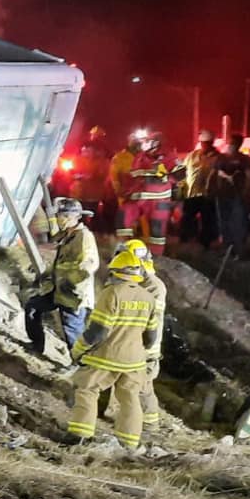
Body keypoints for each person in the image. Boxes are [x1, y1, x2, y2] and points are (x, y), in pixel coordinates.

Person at [65, 250, 159, 449]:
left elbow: (97, 331)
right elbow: (151, 337)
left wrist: (78, 350)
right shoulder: (148, 298)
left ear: (116, 272)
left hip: (106, 357)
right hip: (135, 360)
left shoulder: (111, 293)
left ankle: (80, 435)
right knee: (130, 397)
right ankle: (129, 443)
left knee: (88, 389)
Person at [24, 199, 99, 357]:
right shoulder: (68, 235)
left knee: (72, 331)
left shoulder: (83, 237)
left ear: (76, 217)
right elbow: (61, 262)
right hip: (59, 290)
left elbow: (88, 266)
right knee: (33, 307)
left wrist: (69, 282)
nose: (60, 219)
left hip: (74, 294)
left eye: (64, 216)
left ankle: (80, 362)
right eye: (59, 216)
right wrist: (46, 275)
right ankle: (36, 345)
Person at [117, 239, 167, 429]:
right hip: (131, 341)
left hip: (145, 346)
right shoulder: (136, 281)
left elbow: (149, 320)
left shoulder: (154, 286)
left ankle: (149, 423)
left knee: (143, 385)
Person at [117, 131, 178, 254]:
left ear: (157, 143)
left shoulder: (170, 157)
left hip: (159, 201)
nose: (145, 144)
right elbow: (133, 175)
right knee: (122, 219)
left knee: (157, 233)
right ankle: (123, 252)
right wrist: (127, 190)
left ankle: (156, 257)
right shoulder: (140, 157)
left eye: (148, 141)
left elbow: (180, 174)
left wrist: (166, 175)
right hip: (139, 198)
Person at [212, 134, 250, 257]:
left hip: (238, 196)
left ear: (239, 144)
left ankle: (239, 251)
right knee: (223, 223)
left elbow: (249, 176)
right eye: (230, 142)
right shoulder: (221, 158)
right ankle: (227, 249)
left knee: (238, 223)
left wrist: (246, 192)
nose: (231, 145)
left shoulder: (245, 159)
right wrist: (213, 190)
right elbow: (214, 174)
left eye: (234, 143)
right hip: (222, 195)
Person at [179, 130, 220, 249]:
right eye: (203, 143)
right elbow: (182, 171)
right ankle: (185, 239)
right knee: (187, 217)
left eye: (207, 143)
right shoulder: (192, 156)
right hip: (191, 193)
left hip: (208, 195)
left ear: (212, 143)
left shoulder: (219, 158)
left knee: (207, 219)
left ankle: (205, 243)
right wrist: (180, 188)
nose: (204, 145)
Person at [108, 132, 141, 218]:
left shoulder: (143, 156)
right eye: (135, 141)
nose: (137, 144)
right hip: (126, 193)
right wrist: (118, 190)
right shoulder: (120, 157)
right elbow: (114, 175)